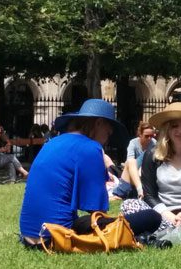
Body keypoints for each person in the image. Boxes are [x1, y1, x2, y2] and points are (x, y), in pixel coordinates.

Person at [19, 99, 161, 249]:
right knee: (152, 217)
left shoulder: (53, 142)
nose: (111, 132)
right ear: (98, 123)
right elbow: (97, 211)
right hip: (57, 236)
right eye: (109, 126)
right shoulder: (91, 148)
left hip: (30, 236)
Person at [120, 102, 181, 232]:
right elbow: (149, 194)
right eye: (174, 126)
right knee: (129, 204)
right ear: (167, 129)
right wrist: (170, 216)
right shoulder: (152, 154)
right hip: (163, 214)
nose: (180, 130)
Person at [112, 121, 157, 200]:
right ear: (140, 135)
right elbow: (129, 162)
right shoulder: (133, 143)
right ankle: (139, 190)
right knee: (132, 161)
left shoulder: (154, 143)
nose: (150, 138)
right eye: (147, 136)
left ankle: (133, 192)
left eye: (152, 136)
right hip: (134, 172)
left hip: (146, 173)